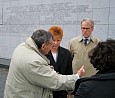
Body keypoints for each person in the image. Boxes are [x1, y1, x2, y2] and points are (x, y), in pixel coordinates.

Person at [4, 29, 85, 98]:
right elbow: (55, 81)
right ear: (43, 46)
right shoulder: (34, 61)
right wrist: (76, 77)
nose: (52, 46)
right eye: (51, 44)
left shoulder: (23, 47)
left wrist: (46, 70)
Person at [46, 25, 73, 98]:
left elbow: (69, 73)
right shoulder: (44, 53)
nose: (55, 43)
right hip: (47, 91)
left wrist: (69, 91)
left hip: (61, 92)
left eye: (58, 40)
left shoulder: (66, 53)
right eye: (54, 40)